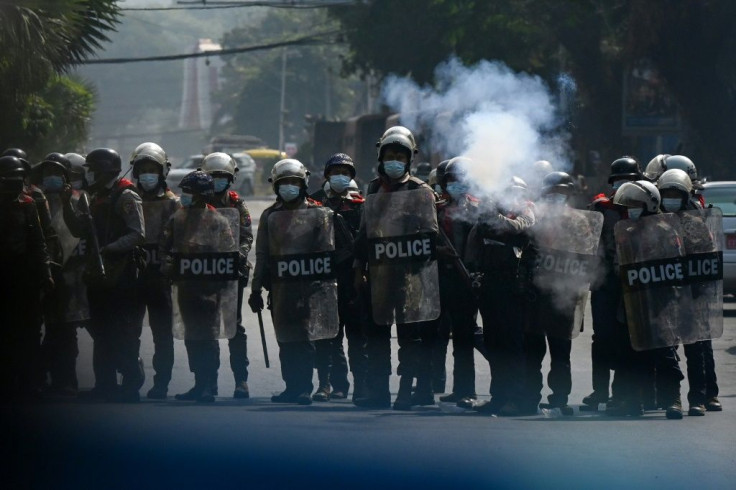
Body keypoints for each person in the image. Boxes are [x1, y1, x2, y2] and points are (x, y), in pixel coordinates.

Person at [352, 126, 440, 410]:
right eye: (389, 155)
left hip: (411, 275)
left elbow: (431, 233)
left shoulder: (421, 190)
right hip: (379, 274)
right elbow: (365, 232)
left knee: (409, 336)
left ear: (409, 159)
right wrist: (358, 266)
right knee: (376, 334)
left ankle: (406, 391)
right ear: (381, 157)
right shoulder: (374, 188)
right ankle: (378, 391)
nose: (394, 160)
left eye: (399, 156)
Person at [249, 159, 347, 405]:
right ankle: (292, 387)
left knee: (307, 338)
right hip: (282, 289)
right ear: (276, 186)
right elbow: (262, 254)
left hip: (312, 287)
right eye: (284, 183)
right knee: (286, 339)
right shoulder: (270, 215)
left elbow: (328, 251)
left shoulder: (318, 213)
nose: (289, 187)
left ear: (303, 184)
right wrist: (255, 288)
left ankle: (308, 387)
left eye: (294, 182)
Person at [62, 148, 145, 402]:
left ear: (106, 170)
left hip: (121, 273)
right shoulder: (93, 196)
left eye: (94, 169)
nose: (90, 174)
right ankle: (104, 383)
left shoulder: (125, 194)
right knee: (100, 329)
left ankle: (132, 379)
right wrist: (67, 203)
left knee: (119, 330)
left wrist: (110, 248)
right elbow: (78, 229)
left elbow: (137, 233)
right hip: (97, 273)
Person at [612, 180, 685, 419]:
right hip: (634, 302)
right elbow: (618, 264)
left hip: (660, 302)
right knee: (633, 353)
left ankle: (673, 399)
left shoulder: (665, 230)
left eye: (636, 204)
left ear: (649, 204)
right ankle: (634, 400)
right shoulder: (627, 232)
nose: (631, 208)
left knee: (664, 351)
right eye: (628, 204)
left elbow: (676, 265)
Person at [161, 171, 235, 403]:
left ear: (201, 195)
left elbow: (229, 253)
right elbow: (165, 247)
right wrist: (168, 266)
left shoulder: (218, 221)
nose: (184, 196)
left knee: (208, 336)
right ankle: (198, 383)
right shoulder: (178, 218)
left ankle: (208, 384)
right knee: (192, 335)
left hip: (209, 289)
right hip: (185, 287)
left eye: (189, 192)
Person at [467, 177, 535, 416]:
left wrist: (495, 219)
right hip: (490, 286)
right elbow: (478, 239)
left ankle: (515, 399)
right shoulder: (488, 215)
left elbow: (516, 229)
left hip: (514, 288)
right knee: (495, 343)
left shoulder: (527, 212)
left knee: (512, 345)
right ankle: (499, 397)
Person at [582, 157, 642, 410]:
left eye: (628, 181)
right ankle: (599, 392)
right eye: (619, 181)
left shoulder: (645, 207)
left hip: (635, 282)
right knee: (602, 338)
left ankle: (623, 394)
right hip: (604, 282)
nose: (623, 186)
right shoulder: (600, 208)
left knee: (629, 338)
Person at [309, 153, 367, 402]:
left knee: (355, 336)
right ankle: (328, 383)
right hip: (322, 275)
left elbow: (365, 240)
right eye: (335, 172)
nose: (340, 176)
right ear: (326, 175)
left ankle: (361, 385)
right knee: (327, 336)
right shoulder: (314, 202)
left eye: (345, 172)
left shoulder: (358, 204)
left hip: (350, 277)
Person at [200, 152, 254, 399]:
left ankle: (241, 381)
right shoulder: (195, 205)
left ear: (231, 179)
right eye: (213, 177)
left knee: (234, 327)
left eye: (222, 177)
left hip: (230, 273)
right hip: (202, 273)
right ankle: (207, 383)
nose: (218, 181)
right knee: (206, 328)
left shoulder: (237, 204)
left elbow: (246, 236)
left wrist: (240, 256)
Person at [434, 157, 486, 408]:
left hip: (467, 278)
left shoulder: (478, 208)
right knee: (441, 333)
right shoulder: (437, 208)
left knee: (464, 336)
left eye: (462, 180)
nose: (457, 184)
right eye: (452, 180)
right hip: (441, 275)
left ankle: (468, 390)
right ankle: (455, 388)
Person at [129, 143, 180, 399]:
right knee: (129, 332)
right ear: (136, 172)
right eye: (143, 169)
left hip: (160, 278)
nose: (148, 174)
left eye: (153, 169)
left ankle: (161, 383)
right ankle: (131, 377)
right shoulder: (128, 199)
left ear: (162, 172)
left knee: (162, 335)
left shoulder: (173, 204)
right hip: (131, 277)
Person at [0, 155, 54, 399]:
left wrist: (45, 272)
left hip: (25, 276)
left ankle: (30, 380)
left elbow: (38, 241)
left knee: (30, 331)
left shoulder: (29, 203)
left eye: (17, 180)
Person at [33, 153, 83, 396]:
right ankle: (43, 378)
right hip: (43, 274)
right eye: (47, 173)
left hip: (72, 277)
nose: (51, 178)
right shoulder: (35, 200)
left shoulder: (78, 199)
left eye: (56, 173)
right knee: (45, 330)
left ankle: (66, 381)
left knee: (65, 332)